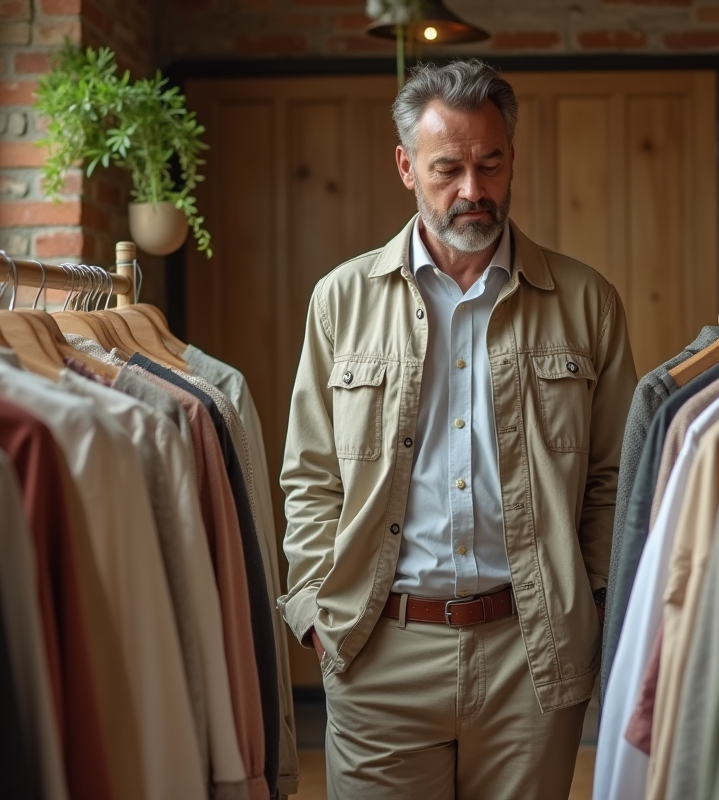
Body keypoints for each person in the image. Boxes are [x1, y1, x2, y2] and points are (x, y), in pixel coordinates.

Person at [278, 59, 637, 800]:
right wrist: (316, 609)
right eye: (448, 169)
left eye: (490, 164)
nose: (472, 191)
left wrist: (594, 600)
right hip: (379, 651)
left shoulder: (586, 300)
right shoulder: (340, 302)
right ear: (407, 168)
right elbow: (310, 474)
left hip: (530, 656)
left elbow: (616, 477)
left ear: (512, 161)